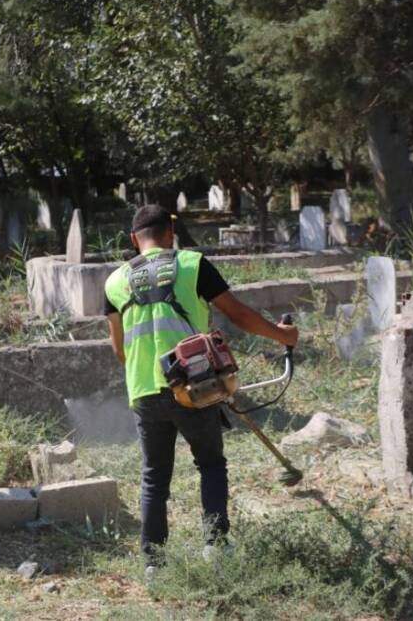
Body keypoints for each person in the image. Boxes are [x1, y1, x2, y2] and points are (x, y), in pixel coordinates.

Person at [103, 204, 298, 572]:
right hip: (194, 385)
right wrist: (283, 335)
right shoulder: (192, 265)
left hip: (143, 389)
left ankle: (154, 564)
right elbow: (238, 314)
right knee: (210, 463)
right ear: (170, 233)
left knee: (154, 476)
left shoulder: (114, 282)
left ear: (133, 239)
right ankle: (215, 547)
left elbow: (119, 349)